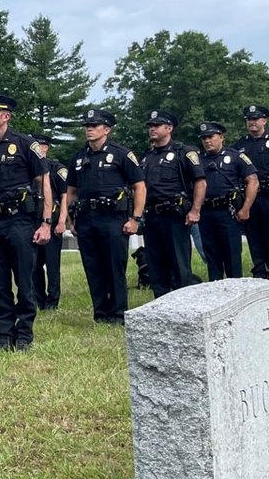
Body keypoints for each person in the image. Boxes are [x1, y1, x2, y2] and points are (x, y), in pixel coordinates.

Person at [0, 93, 51, 352]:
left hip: (20, 221)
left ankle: (24, 334)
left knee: (25, 280)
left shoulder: (25, 144)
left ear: (6, 116)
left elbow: (43, 184)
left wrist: (46, 222)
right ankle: (5, 336)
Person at [65, 108, 146, 325]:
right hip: (86, 218)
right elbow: (71, 191)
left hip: (113, 218)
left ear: (107, 129)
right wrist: (71, 220)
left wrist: (135, 219)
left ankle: (119, 314)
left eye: (94, 126)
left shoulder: (121, 154)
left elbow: (139, 186)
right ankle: (101, 314)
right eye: (87, 126)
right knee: (93, 267)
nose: (89, 129)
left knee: (114, 267)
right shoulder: (79, 157)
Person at [140, 110, 205, 297]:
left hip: (174, 216)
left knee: (179, 264)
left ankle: (182, 303)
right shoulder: (146, 156)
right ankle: (160, 302)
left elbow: (200, 182)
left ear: (169, 128)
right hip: (151, 216)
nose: (152, 129)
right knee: (156, 265)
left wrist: (195, 210)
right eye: (150, 126)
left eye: (157, 125)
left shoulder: (183, 152)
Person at [198, 121, 259, 280]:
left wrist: (245, 208)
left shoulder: (235, 156)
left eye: (211, 136)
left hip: (228, 212)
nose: (207, 141)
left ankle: (236, 289)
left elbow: (253, 181)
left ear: (221, 137)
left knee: (232, 256)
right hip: (206, 212)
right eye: (204, 138)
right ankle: (216, 289)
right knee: (212, 257)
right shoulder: (198, 160)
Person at [32, 134, 69, 310]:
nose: (37, 149)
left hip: (52, 223)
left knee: (52, 265)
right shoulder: (28, 167)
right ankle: (38, 299)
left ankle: (52, 301)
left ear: (46, 148)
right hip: (32, 222)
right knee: (34, 265)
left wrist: (62, 221)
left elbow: (65, 197)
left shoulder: (56, 169)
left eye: (40, 146)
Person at [234, 104, 269, 279]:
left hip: (268, 196)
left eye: (255, 119)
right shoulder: (240, 145)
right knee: (253, 236)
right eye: (249, 119)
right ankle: (260, 272)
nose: (252, 122)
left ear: (264, 120)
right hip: (249, 198)